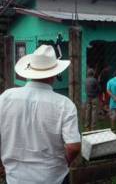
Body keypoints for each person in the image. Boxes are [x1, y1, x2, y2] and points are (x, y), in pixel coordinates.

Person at [0, 45, 81, 184]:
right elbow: (73, 147)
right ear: (55, 73)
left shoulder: (5, 98)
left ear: (30, 70)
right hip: (53, 177)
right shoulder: (64, 104)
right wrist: (65, 161)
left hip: (15, 177)